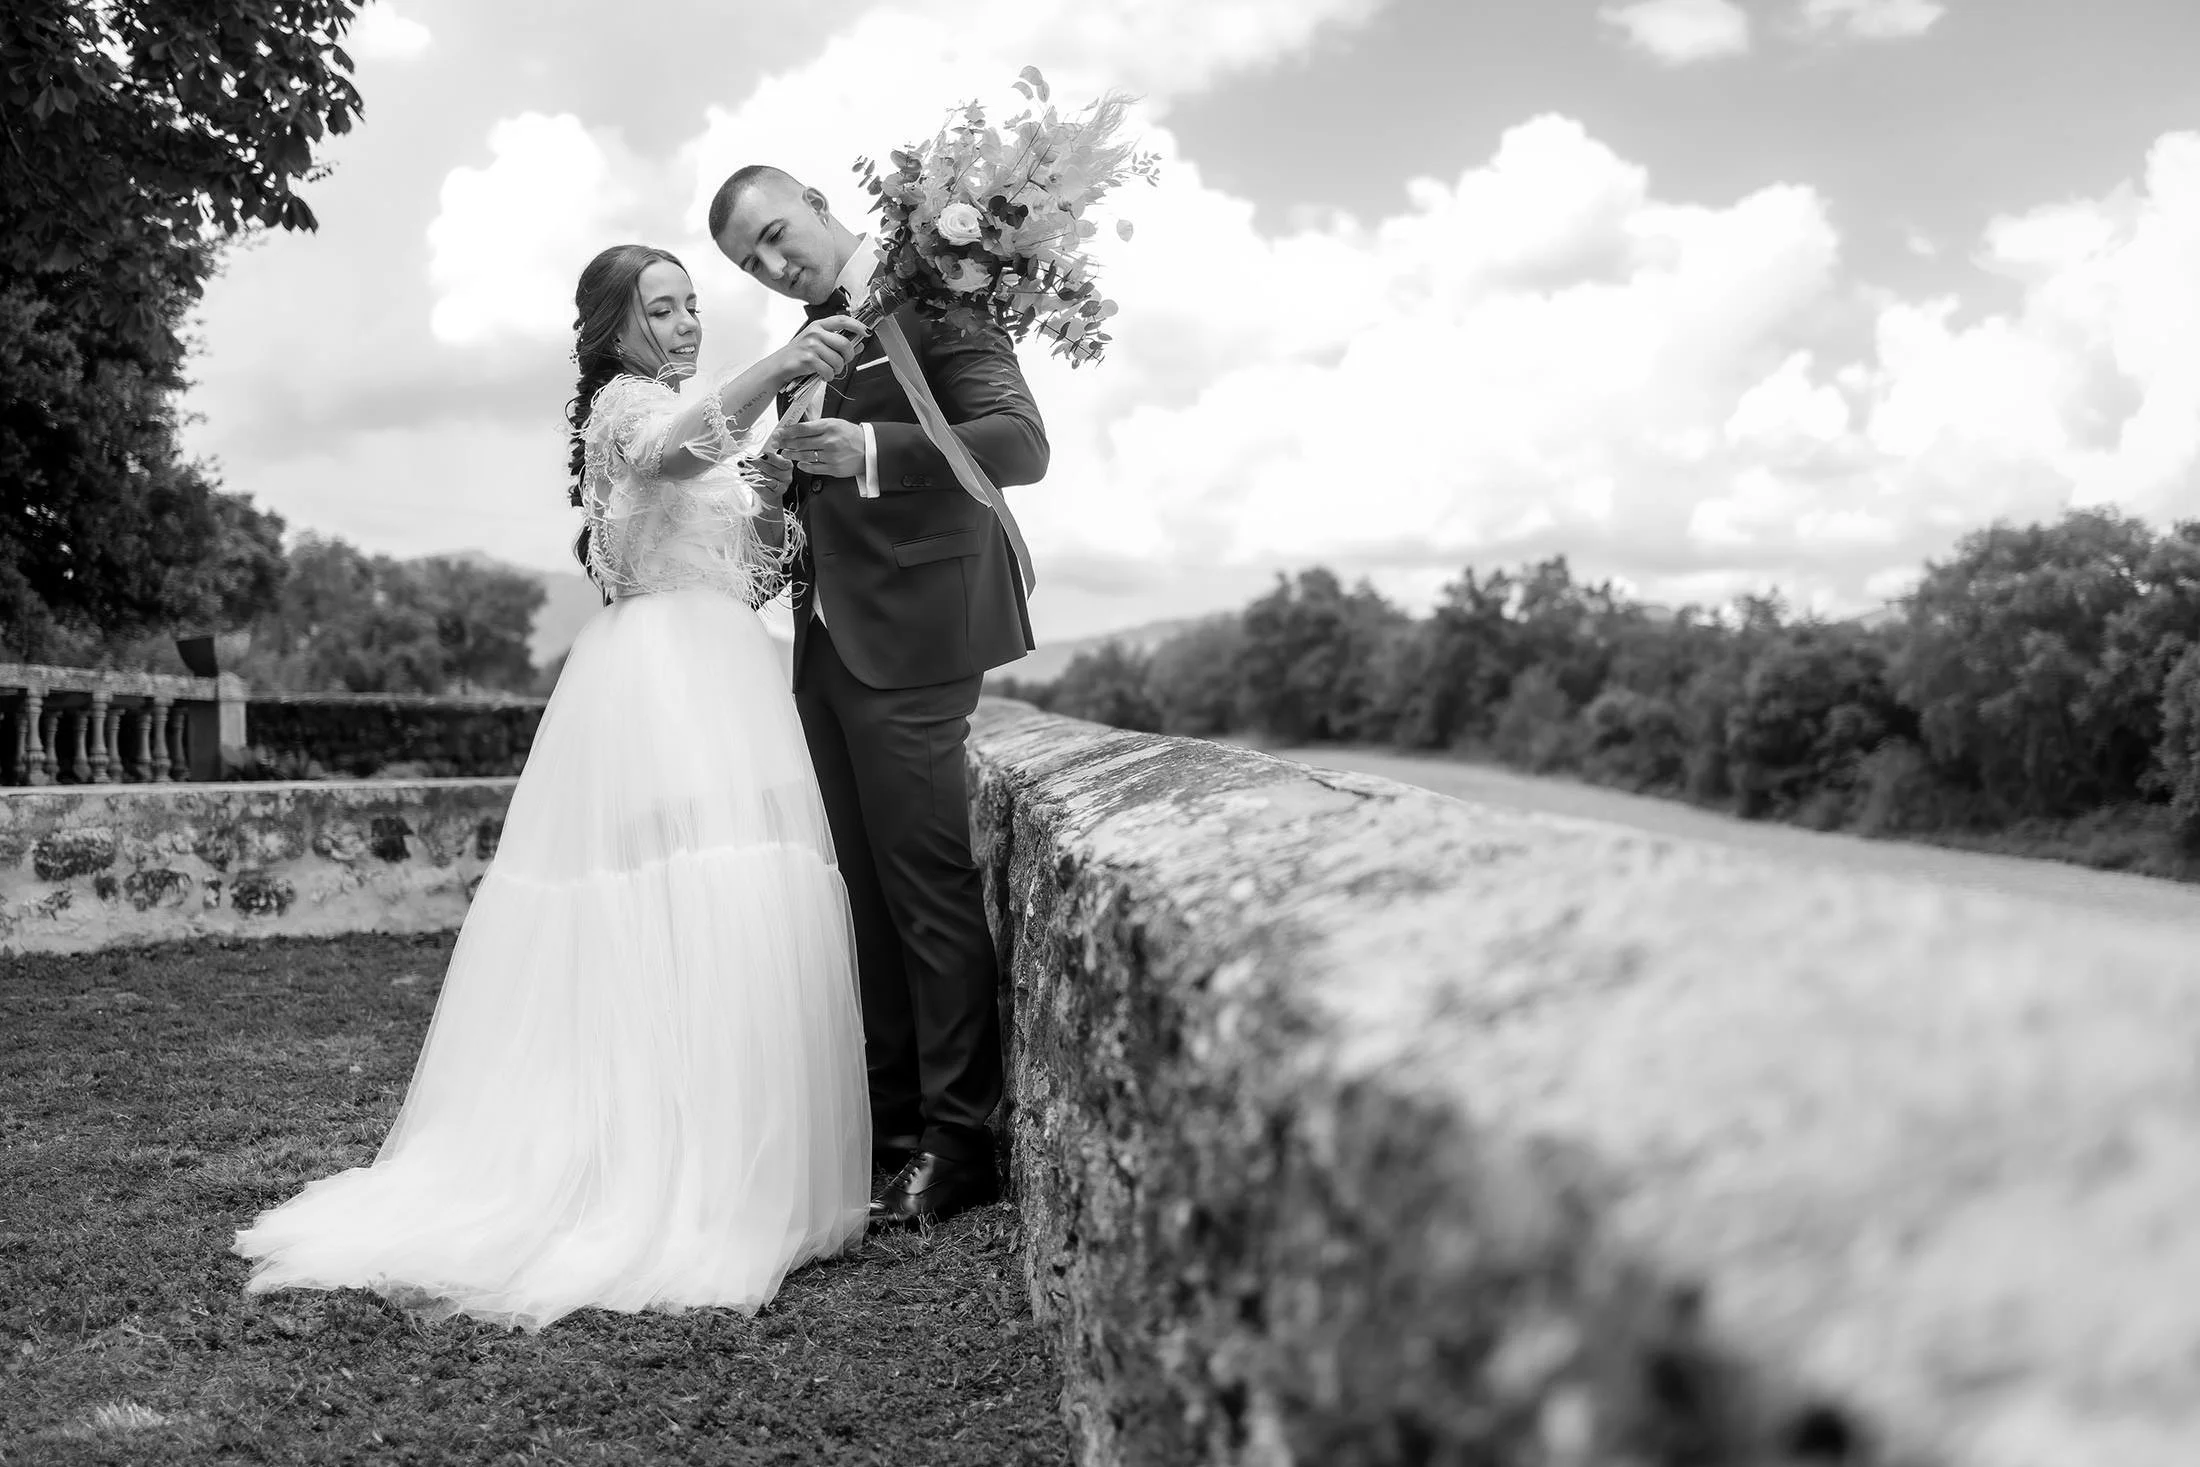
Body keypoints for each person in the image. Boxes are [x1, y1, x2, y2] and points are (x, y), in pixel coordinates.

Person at [232, 245, 876, 1330]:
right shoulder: (626, 408)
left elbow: (746, 554)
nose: (684, 324)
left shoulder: (688, 410)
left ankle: (735, 1160)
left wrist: (771, 481)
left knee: (739, 899)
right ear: (615, 329)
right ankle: (652, 1165)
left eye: (690, 306)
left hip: (729, 664)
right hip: (660, 677)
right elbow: (671, 453)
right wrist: (779, 366)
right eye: (660, 310)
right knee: (669, 901)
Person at [709, 166, 1049, 1226]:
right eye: (751, 261)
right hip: (824, 645)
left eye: (777, 234)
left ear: (818, 200)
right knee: (860, 895)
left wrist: (867, 449)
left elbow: (1019, 443)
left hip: (918, 632)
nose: (774, 264)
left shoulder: (940, 291)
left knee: (925, 888)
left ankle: (960, 1143)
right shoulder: (812, 345)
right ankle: (891, 1132)